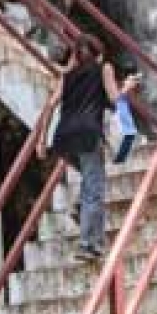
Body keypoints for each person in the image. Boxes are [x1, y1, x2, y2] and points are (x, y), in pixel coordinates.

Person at [50, 36, 129, 261]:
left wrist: (39, 142)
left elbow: (50, 105)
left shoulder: (68, 77)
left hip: (64, 139)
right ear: (99, 53)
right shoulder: (104, 68)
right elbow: (114, 98)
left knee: (91, 182)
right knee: (94, 190)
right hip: (87, 135)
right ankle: (86, 245)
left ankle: (91, 234)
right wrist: (127, 88)